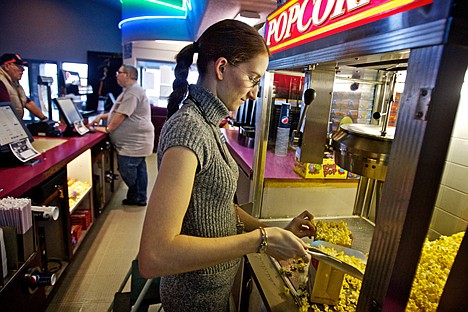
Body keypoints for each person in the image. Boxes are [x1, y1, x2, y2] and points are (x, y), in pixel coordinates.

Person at [138, 19, 316, 312]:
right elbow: (155, 256)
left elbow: (217, 205)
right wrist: (260, 240)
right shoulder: (190, 129)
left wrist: (273, 231)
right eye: (253, 79)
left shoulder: (208, 126)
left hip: (210, 293)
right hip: (192, 301)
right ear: (221, 68)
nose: (255, 94)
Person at [88, 64, 154, 206]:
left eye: (119, 72)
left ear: (128, 75)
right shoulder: (130, 91)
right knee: (139, 168)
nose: (116, 75)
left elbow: (123, 114)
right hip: (136, 141)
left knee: (127, 168)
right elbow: (118, 111)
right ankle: (138, 197)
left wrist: (108, 129)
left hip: (133, 142)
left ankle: (137, 195)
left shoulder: (133, 92)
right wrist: (103, 117)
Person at [0, 53, 48, 121]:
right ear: (7, 66)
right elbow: (6, 110)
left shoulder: (14, 83)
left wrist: (44, 119)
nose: (23, 70)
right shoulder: (1, 82)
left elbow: (27, 102)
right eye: (19, 66)